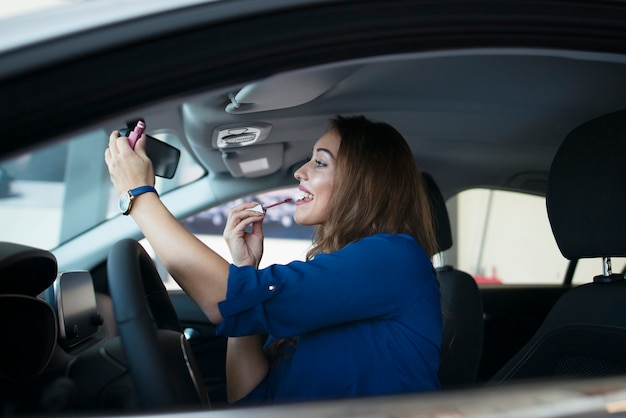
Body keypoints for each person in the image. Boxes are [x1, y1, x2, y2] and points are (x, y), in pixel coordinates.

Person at [105, 115, 442, 404]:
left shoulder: (393, 258)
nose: (299, 172)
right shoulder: (341, 274)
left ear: (365, 184)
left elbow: (221, 300)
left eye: (320, 162)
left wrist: (139, 197)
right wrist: (243, 268)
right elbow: (251, 400)